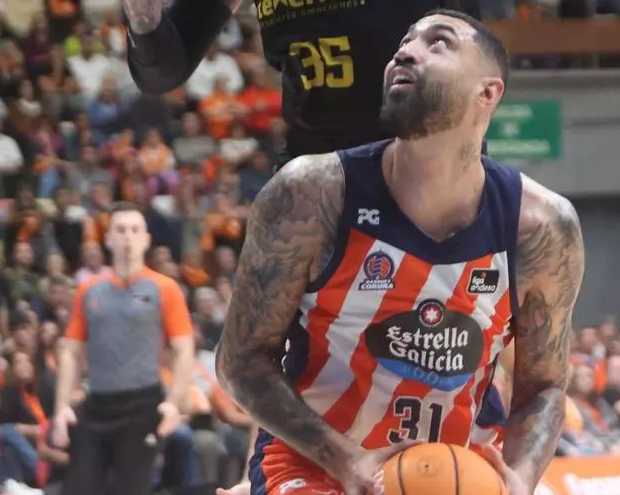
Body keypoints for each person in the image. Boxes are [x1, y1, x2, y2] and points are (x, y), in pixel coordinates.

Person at [214, 10, 584, 495]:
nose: (404, 52)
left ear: (488, 93)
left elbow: (545, 387)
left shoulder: (540, 227)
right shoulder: (310, 194)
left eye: (439, 42)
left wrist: (521, 478)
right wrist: (347, 461)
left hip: (456, 465)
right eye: (404, 42)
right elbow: (240, 363)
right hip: (315, 464)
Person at [124, 0, 480, 161]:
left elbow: (472, 65)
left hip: (419, 171)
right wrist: (143, 15)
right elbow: (162, 72)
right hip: (311, 177)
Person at [50, 202, 196, 495]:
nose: (127, 236)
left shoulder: (164, 288)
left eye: (134, 229)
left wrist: (174, 402)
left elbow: (183, 349)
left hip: (143, 406)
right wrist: (62, 407)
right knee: (78, 487)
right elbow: (71, 351)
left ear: (146, 239)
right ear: (108, 239)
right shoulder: (88, 289)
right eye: (120, 229)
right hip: (96, 404)